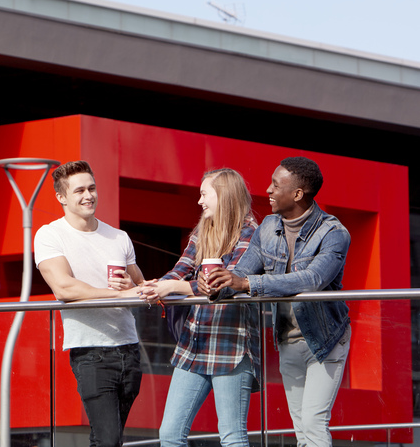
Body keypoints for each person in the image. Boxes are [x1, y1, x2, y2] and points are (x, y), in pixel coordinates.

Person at [205, 157, 351, 447]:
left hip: (326, 341)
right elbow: (242, 273)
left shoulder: (334, 233)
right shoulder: (269, 227)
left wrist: (247, 284)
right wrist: (216, 285)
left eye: (275, 184)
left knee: (313, 423)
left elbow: (312, 280)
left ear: (297, 194)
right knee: (301, 430)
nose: (268, 190)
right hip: (287, 340)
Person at [139, 168, 259, 447]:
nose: (199, 201)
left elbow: (224, 283)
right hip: (194, 341)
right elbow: (179, 271)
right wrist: (156, 286)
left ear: (224, 196)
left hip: (232, 344)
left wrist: (172, 288)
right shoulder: (203, 229)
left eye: (204, 194)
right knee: (169, 434)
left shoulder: (252, 233)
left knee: (232, 436)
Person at [33, 160, 145, 447]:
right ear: (61, 197)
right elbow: (64, 287)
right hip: (91, 352)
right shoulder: (49, 235)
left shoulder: (119, 236)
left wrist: (130, 288)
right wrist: (116, 295)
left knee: (108, 440)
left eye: (92, 188)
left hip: (129, 350)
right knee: (108, 440)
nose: (88, 195)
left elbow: (140, 288)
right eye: (79, 190)